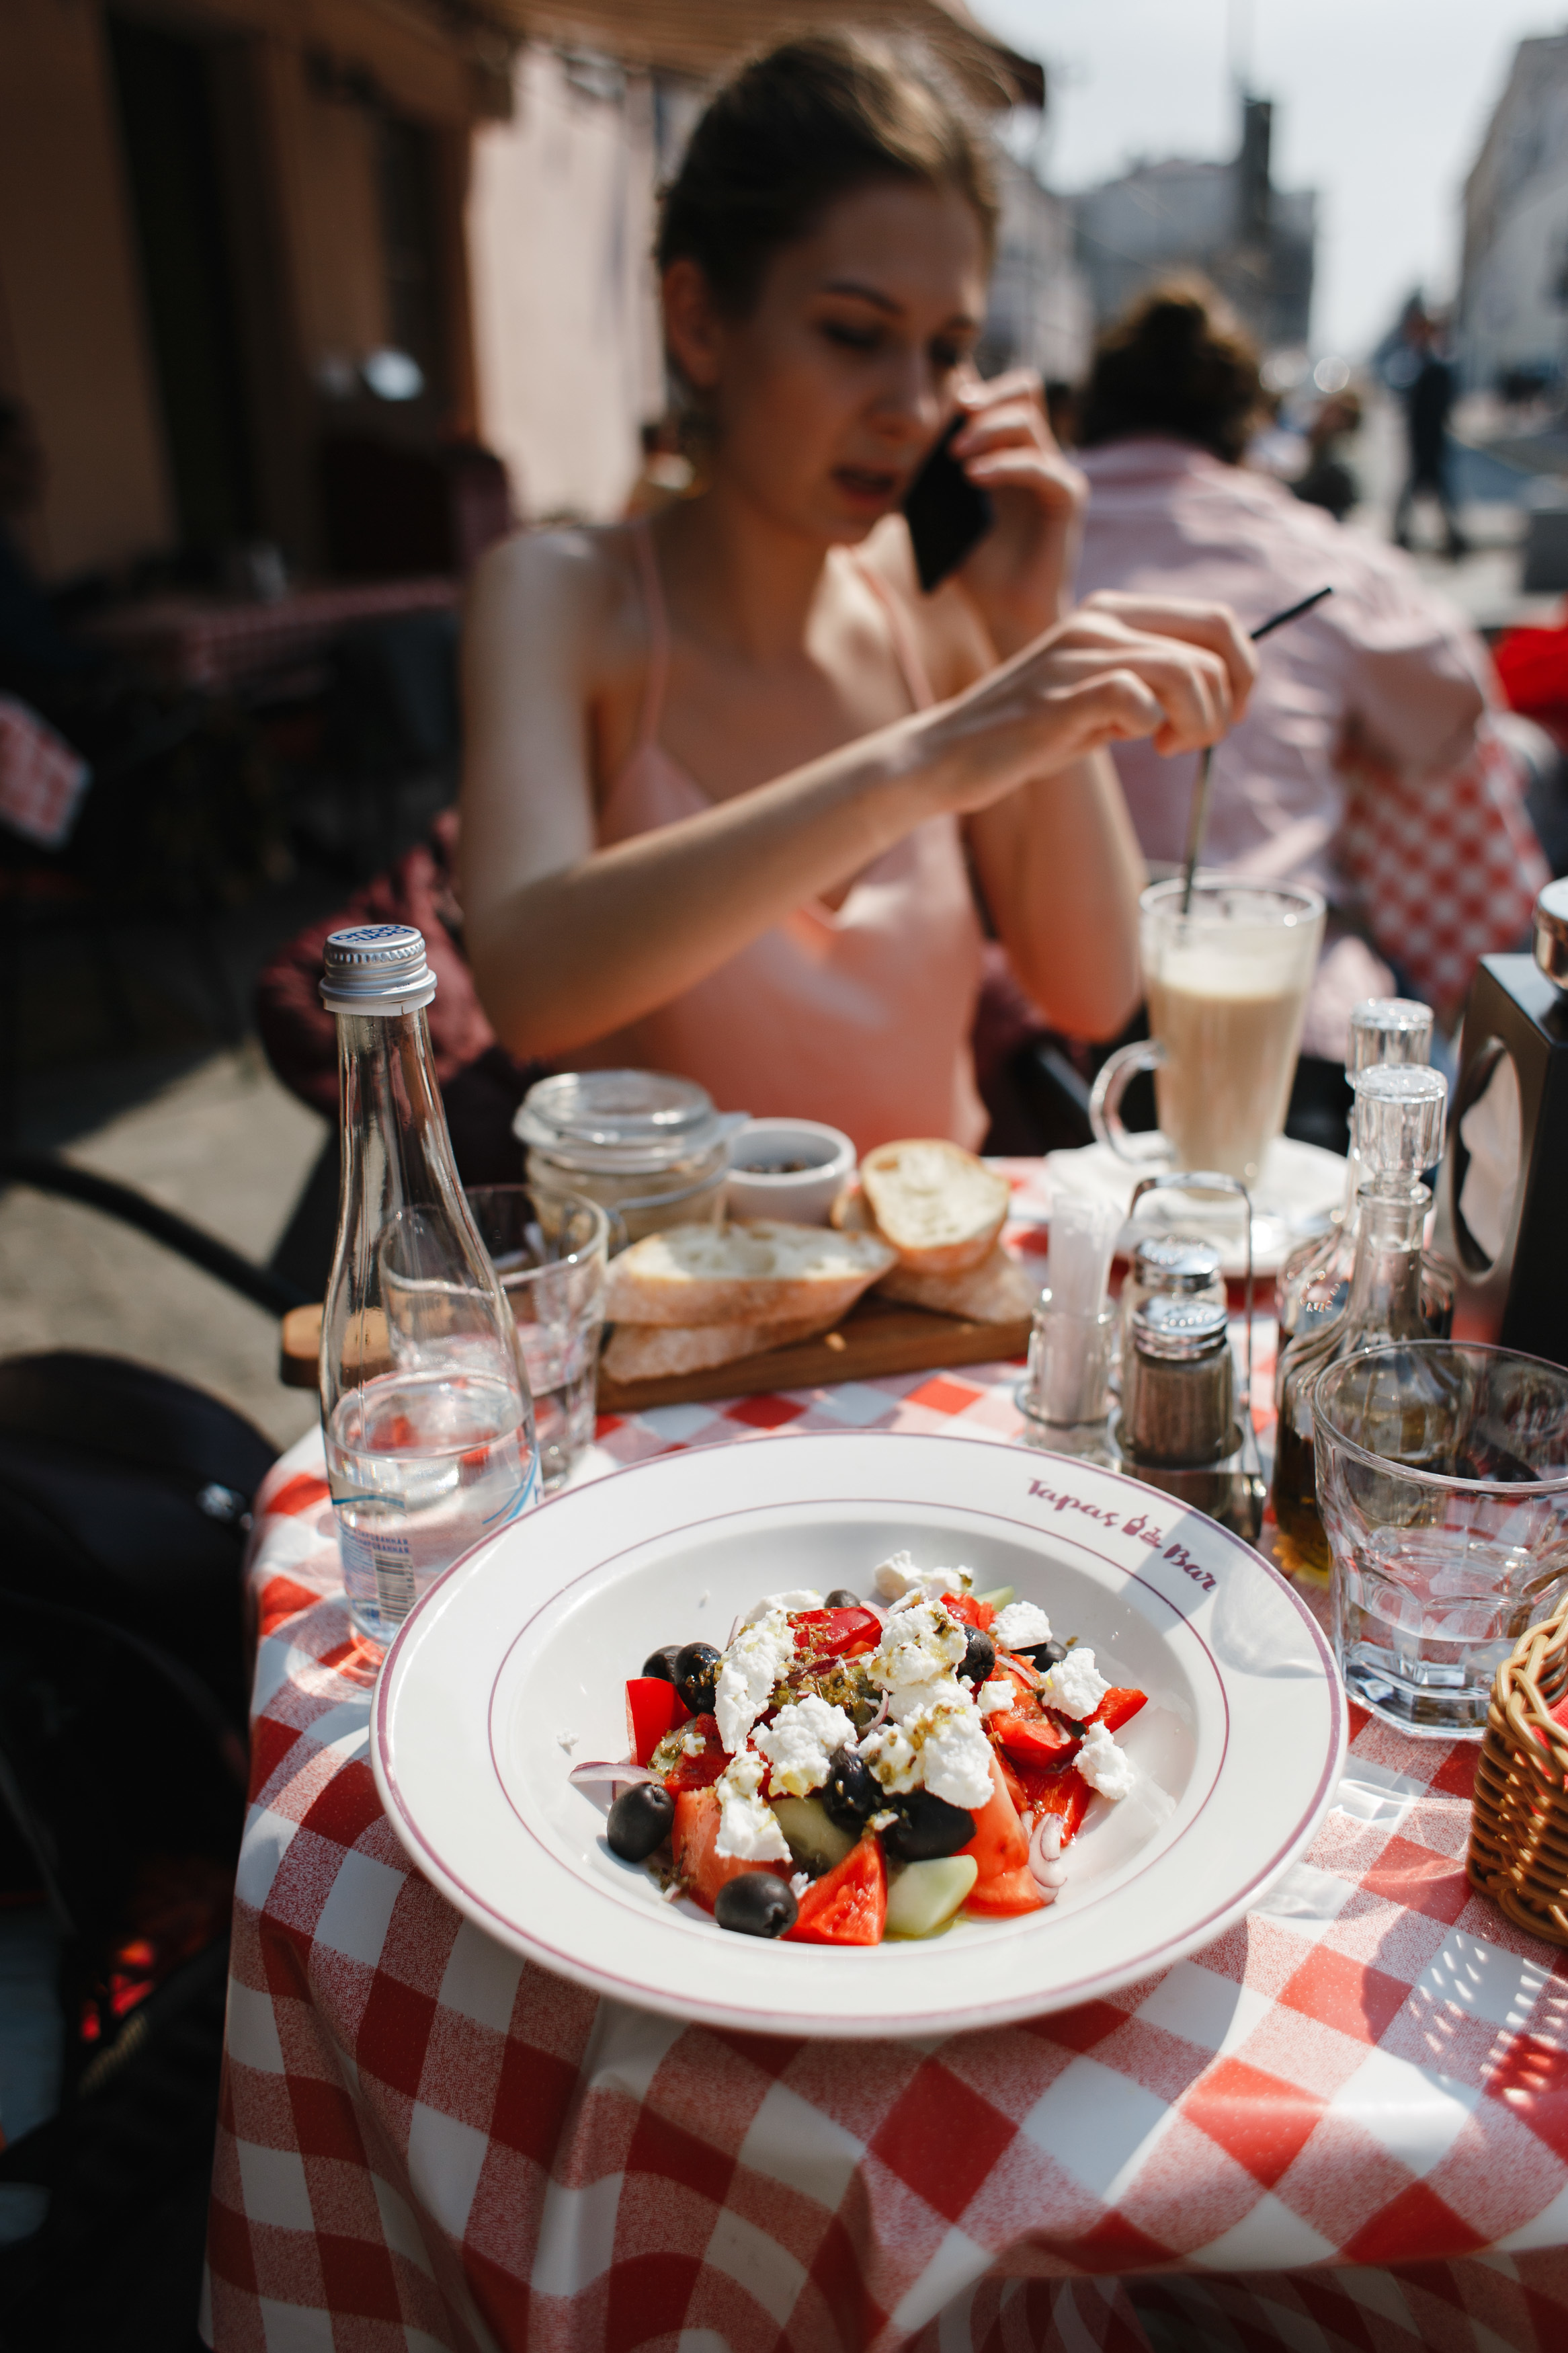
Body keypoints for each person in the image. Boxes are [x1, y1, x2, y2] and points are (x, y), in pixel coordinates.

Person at [458, 36, 1255, 1154]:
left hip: (936, 1301)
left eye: (945, 351)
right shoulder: (561, 595)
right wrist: (927, 760)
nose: (909, 406)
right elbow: (528, 982)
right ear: (697, 321)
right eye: (852, 335)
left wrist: (1029, 617)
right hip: (678, 1311)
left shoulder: (936, 606)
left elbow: (1092, 988)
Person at [1071, 278, 1512, 1053]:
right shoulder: (1312, 554)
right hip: (1282, 1018)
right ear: (1244, 425)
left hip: (1022, 1021)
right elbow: (1452, 715)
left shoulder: (1004, 550)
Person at [1392, 309, 1466, 560]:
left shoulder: (1434, 364)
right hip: (1424, 443)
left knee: (1435, 495)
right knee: (1436, 496)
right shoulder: (1420, 361)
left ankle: (1453, 541)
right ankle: (1452, 540)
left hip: (1429, 443)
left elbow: (1435, 410)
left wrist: (1427, 442)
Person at [1292, 388, 1362, 524]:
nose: (1320, 415)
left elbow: (1305, 494)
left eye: (1329, 411)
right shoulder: (1325, 449)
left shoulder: (1336, 463)